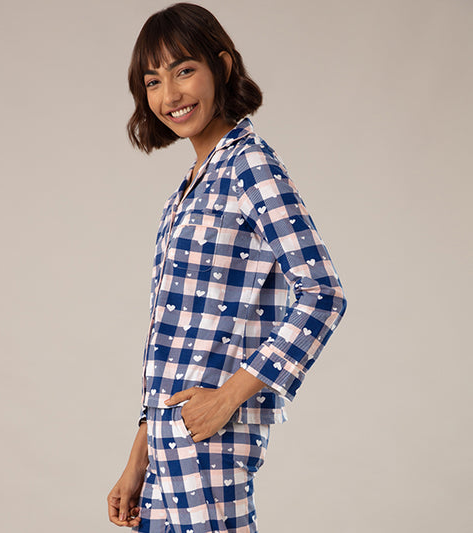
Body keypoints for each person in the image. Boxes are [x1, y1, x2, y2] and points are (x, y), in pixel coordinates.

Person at [107, 3, 347, 532]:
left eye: (184, 70)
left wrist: (229, 397)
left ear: (222, 66)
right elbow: (175, 342)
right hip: (167, 449)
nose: (170, 95)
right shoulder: (187, 190)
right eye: (153, 81)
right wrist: (138, 458)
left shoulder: (249, 166)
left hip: (211, 443)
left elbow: (323, 294)